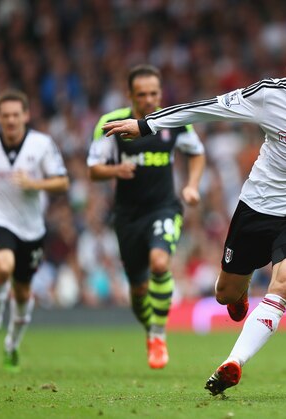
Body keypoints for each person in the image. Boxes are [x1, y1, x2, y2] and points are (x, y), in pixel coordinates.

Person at [102, 35, 286, 394]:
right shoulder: (266, 95)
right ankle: (239, 294)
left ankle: (233, 362)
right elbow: (207, 108)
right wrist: (146, 125)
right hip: (258, 208)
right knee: (224, 292)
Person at [87, 64, 205, 369]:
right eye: (142, 94)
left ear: (160, 92)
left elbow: (197, 152)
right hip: (126, 215)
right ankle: (149, 327)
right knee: (138, 291)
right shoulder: (111, 122)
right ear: (130, 95)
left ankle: (158, 334)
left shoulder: (175, 120)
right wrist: (115, 170)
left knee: (160, 262)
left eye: (154, 93)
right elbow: (93, 169)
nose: (150, 99)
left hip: (164, 207)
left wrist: (191, 185)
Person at [0, 89, 69, 372]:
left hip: (31, 228)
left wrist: (36, 185)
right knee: (2, 264)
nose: (10, 120)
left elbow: (62, 182)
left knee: (22, 293)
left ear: (26, 115)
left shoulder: (41, 144)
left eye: (15, 115)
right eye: (5, 115)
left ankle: (12, 345)